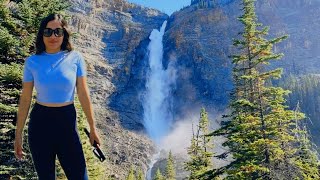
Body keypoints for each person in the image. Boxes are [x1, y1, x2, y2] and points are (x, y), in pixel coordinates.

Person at [14, 13, 101, 180]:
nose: (53, 36)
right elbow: (25, 98)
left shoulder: (75, 58)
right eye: (48, 32)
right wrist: (18, 134)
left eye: (57, 32)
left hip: (67, 122)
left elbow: (83, 93)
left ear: (64, 34)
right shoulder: (32, 62)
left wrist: (93, 128)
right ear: (42, 34)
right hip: (40, 124)